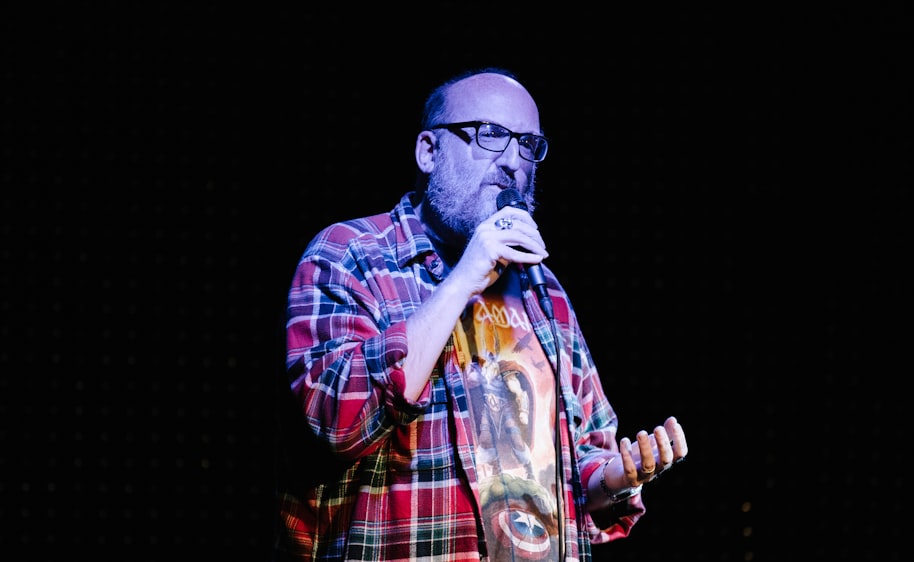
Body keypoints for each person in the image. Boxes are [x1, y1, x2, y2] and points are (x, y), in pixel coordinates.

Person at [273, 67, 689, 562]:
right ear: (429, 151)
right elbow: (339, 424)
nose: (513, 161)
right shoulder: (349, 255)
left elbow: (582, 458)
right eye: (490, 136)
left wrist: (620, 475)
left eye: (529, 145)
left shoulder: (542, 291)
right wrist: (466, 274)